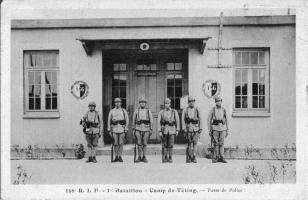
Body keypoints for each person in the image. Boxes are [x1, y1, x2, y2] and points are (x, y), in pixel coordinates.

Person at [158, 98, 180, 163]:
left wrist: (177, 130)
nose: (167, 105)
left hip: (172, 130)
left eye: (168, 103)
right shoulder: (161, 112)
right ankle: (165, 157)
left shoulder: (174, 111)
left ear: (170, 104)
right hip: (164, 130)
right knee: (164, 144)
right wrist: (159, 131)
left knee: (171, 144)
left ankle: (170, 157)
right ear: (164, 104)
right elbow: (159, 122)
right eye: (165, 103)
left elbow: (177, 121)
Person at [107, 98, 129, 162]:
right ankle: (116, 156)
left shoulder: (123, 111)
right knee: (115, 144)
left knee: (121, 143)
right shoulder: (112, 111)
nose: (117, 103)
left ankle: (120, 156)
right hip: (114, 129)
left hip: (122, 129)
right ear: (114, 103)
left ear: (121, 103)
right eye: (116, 102)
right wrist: (109, 129)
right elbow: (109, 121)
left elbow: (127, 120)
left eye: (119, 102)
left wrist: (126, 128)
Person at [132, 97, 153, 163]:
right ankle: (139, 156)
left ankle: (144, 156)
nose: (142, 104)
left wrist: (151, 129)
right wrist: (133, 129)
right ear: (139, 103)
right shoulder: (136, 110)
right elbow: (133, 120)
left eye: (143, 102)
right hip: (138, 128)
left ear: (145, 103)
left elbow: (151, 120)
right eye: (141, 102)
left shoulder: (148, 110)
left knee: (144, 143)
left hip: (146, 129)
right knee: (139, 143)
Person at [208, 96, 229, 163]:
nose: (218, 102)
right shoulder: (212, 109)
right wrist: (209, 129)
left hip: (223, 128)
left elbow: (227, 120)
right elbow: (209, 120)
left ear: (221, 101)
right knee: (216, 143)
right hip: (215, 128)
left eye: (219, 101)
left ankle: (222, 157)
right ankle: (216, 157)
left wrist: (227, 129)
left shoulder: (223, 109)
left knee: (222, 143)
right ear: (215, 102)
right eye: (217, 101)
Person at [182, 96, 202, 163]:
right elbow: (183, 120)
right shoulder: (185, 109)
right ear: (188, 102)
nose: (192, 103)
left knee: (195, 143)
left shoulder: (197, 109)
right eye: (190, 101)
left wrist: (200, 128)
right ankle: (189, 156)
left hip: (196, 129)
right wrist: (184, 128)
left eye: (193, 101)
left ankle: (194, 156)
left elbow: (200, 119)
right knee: (189, 144)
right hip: (188, 129)